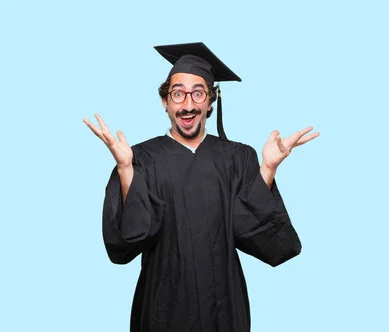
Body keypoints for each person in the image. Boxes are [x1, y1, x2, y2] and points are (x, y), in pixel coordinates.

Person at [83, 42, 319, 332]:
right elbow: (131, 238)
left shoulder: (238, 157)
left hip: (224, 306)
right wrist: (124, 168)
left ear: (210, 101)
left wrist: (268, 168)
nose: (188, 104)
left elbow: (251, 232)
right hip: (163, 306)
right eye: (178, 93)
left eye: (198, 93)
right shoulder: (141, 158)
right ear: (165, 101)